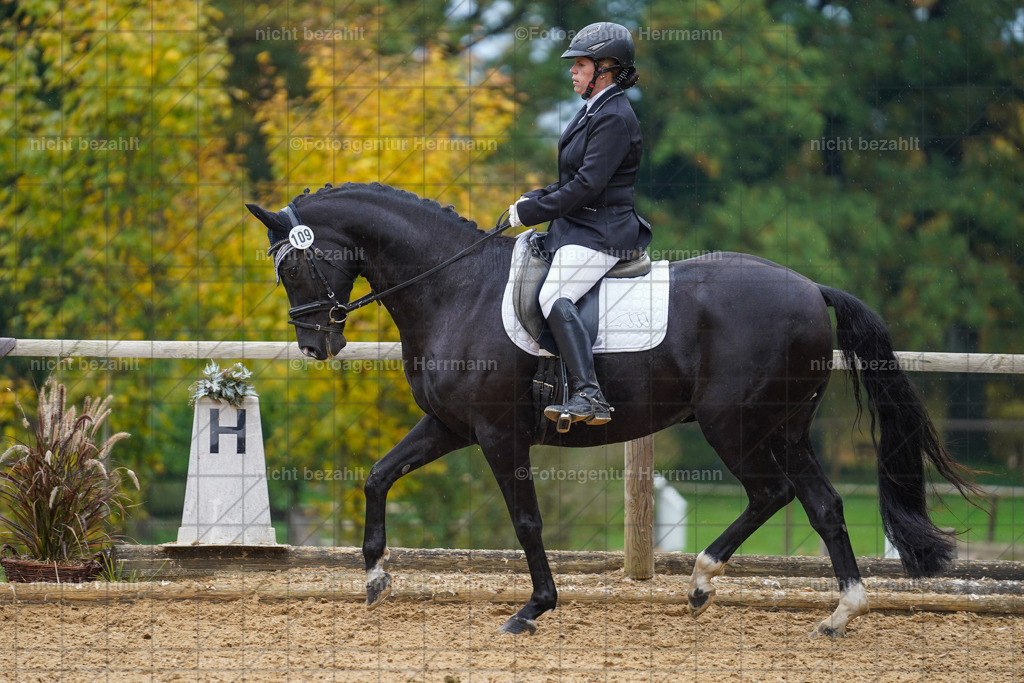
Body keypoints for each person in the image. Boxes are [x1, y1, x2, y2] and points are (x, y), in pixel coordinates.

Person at [508, 21, 651, 429]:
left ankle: (590, 395)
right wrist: (533, 198)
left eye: (580, 65)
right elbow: (573, 177)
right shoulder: (593, 110)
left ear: (606, 69)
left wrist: (534, 214)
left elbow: (588, 186)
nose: (572, 71)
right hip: (578, 228)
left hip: (603, 233)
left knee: (553, 296)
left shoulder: (615, 117)